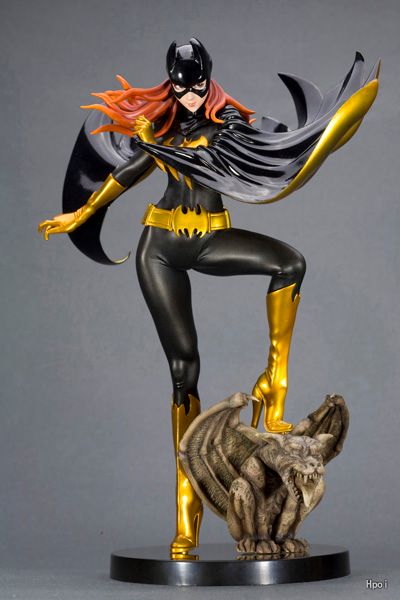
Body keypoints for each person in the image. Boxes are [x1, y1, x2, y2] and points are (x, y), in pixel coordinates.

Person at [38, 38, 379, 554]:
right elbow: (127, 173)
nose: (191, 95)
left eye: (198, 85)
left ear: (209, 78)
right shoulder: (162, 130)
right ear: (170, 84)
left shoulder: (227, 128)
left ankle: (274, 388)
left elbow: (233, 156)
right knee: (185, 371)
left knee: (289, 263)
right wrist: (81, 214)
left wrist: (316, 138)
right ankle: (186, 520)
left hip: (211, 239)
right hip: (160, 248)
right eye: (181, 87)